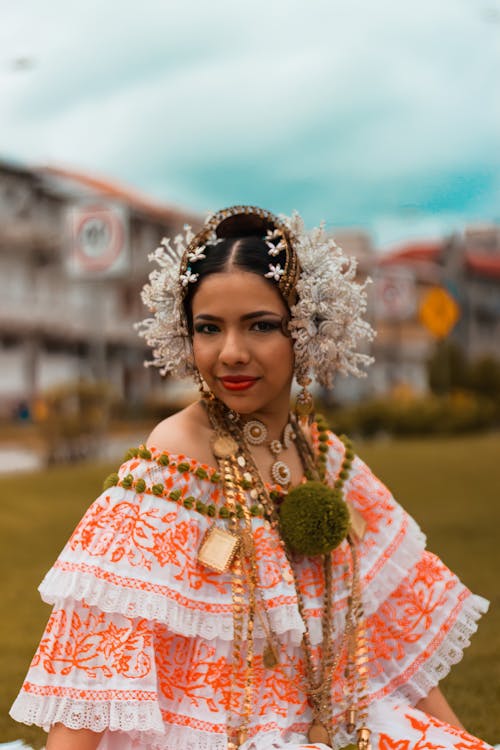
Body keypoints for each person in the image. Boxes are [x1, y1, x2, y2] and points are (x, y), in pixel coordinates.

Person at [10, 206, 493, 750]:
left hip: (342, 723)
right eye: (209, 329)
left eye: (261, 325)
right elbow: (100, 653)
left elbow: (384, 641)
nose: (231, 353)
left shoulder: (323, 457)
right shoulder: (172, 458)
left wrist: (459, 739)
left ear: (310, 329)